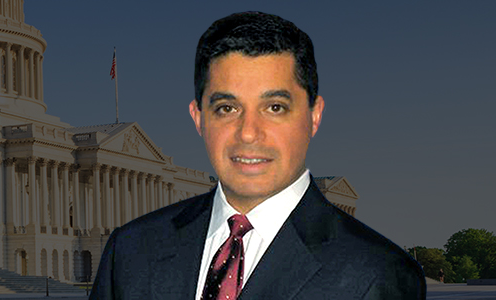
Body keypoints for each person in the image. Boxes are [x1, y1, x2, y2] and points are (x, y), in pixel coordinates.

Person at [90, 11, 424, 299]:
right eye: (227, 107)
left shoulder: (379, 272)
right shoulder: (131, 251)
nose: (249, 132)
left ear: (314, 116)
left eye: (275, 107)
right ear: (199, 118)